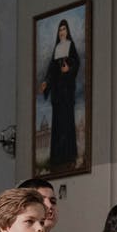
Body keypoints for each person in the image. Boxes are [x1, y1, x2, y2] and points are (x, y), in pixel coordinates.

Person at [40, 19, 80, 170]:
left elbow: (76, 63)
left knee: (67, 123)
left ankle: (69, 156)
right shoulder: (57, 48)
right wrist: (46, 83)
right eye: (60, 30)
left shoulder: (70, 46)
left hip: (67, 91)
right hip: (57, 92)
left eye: (64, 29)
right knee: (57, 124)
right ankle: (57, 158)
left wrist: (68, 70)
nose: (62, 32)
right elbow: (51, 71)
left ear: (67, 31)